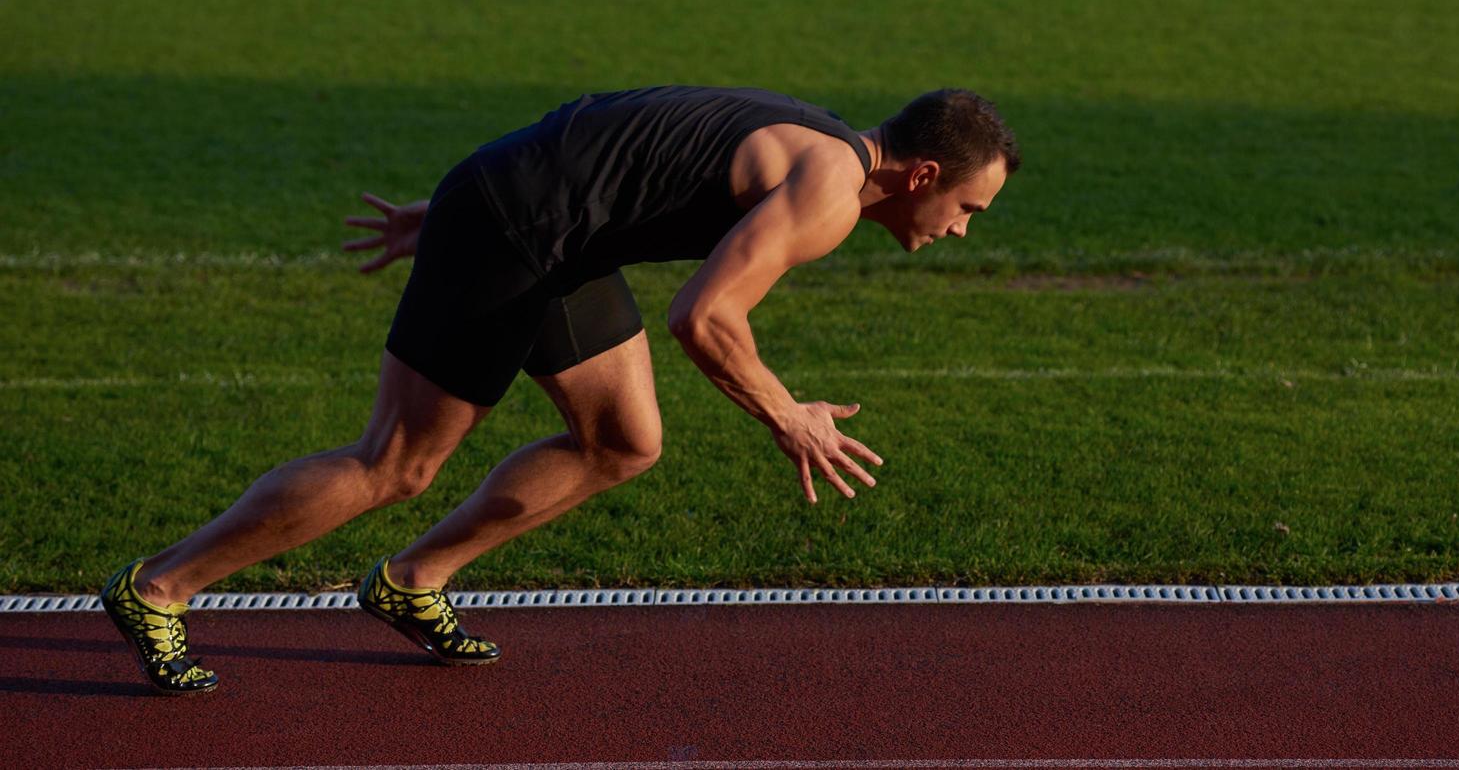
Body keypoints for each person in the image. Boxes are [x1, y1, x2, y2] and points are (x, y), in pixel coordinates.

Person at [99, 85, 1021, 694]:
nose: (962, 231)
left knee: (623, 442)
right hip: (518, 230)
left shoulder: (823, 144)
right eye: (968, 211)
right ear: (925, 175)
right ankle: (161, 587)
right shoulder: (826, 193)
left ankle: (415, 578)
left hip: (548, 229)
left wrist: (463, 200)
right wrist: (789, 416)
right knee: (397, 464)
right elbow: (703, 319)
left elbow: (631, 133)